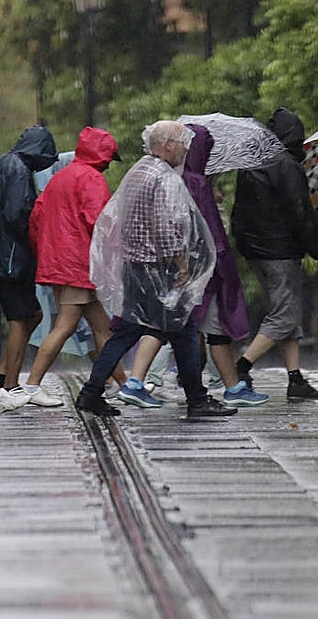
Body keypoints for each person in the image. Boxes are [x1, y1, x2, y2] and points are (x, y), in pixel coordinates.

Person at [77, 120, 234, 420]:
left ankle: (91, 393)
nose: (186, 148)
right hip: (158, 271)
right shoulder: (163, 177)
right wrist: (182, 264)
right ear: (167, 145)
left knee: (145, 331)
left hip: (136, 267)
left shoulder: (139, 171)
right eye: (181, 142)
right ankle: (197, 401)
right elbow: (164, 227)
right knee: (174, 332)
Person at [122, 123, 261, 408]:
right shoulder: (194, 182)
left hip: (185, 266)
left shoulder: (175, 176)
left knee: (211, 327)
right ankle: (139, 381)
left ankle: (230, 385)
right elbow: (206, 231)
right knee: (170, 325)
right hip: (199, 270)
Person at [230, 108, 318, 401]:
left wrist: (245, 245)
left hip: (257, 251)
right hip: (280, 251)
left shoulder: (251, 164)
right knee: (284, 315)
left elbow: (240, 213)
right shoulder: (287, 165)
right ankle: (241, 366)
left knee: (286, 313)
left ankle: (295, 378)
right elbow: (300, 212)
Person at [20, 127, 122, 407]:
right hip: (78, 264)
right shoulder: (91, 178)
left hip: (60, 262)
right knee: (65, 326)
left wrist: (46, 252)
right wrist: (114, 254)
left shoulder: (60, 177)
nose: (109, 163)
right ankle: (31, 386)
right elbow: (100, 221)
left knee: (102, 327)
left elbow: (37, 218)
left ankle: (123, 384)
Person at [0, 125, 58, 389]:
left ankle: (5, 372)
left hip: (2, 254)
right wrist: (35, 228)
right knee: (21, 317)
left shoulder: (5, 163)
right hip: (12, 257)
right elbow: (16, 213)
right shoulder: (18, 170)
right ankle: (11, 383)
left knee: (31, 315)